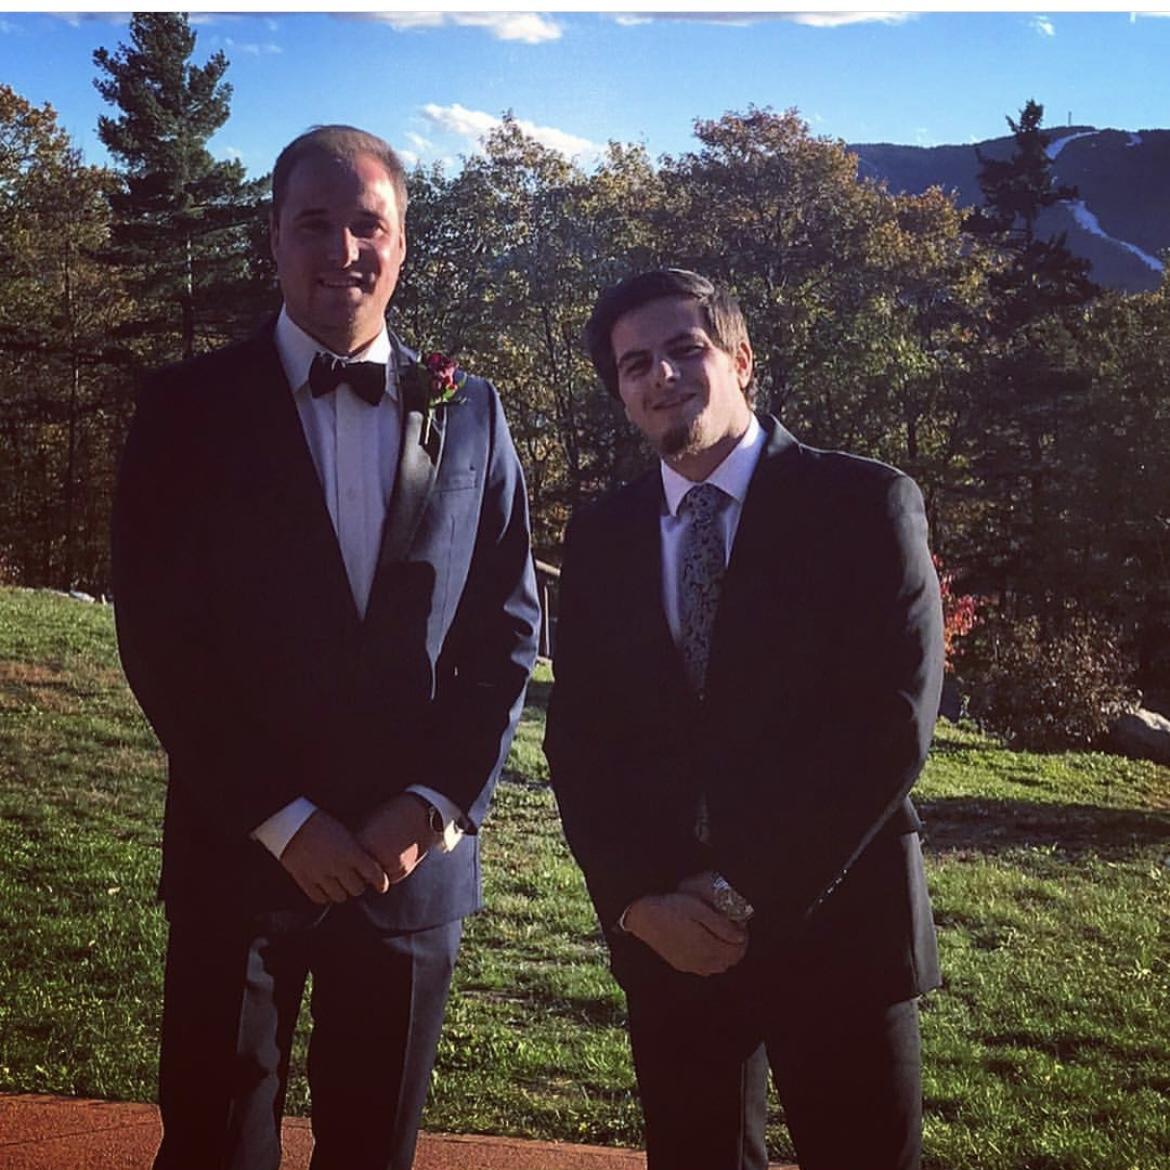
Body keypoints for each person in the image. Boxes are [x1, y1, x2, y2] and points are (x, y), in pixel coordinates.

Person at [112, 125, 540, 1170]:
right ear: (272, 238)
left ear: (401, 244)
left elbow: (506, 629)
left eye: (367, 224)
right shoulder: (185, 409)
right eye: (315, 223)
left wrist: (432, 805)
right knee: (213, 1146)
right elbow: (162, 637)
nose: (343, 248)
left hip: (408, 875)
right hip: (239, 856)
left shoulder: (471, 410)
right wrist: (283, 818)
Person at [544, 268, 944, 1170]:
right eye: (635, 364)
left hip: (838, 930)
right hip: (673, 948)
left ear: (742, 360)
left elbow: (890, 728)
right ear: (621, 392)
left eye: (684, 349)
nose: (661, 376)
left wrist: (735, 892)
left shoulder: (863, 503)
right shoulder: (601, 536)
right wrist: (637, 904)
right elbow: (581, 742)